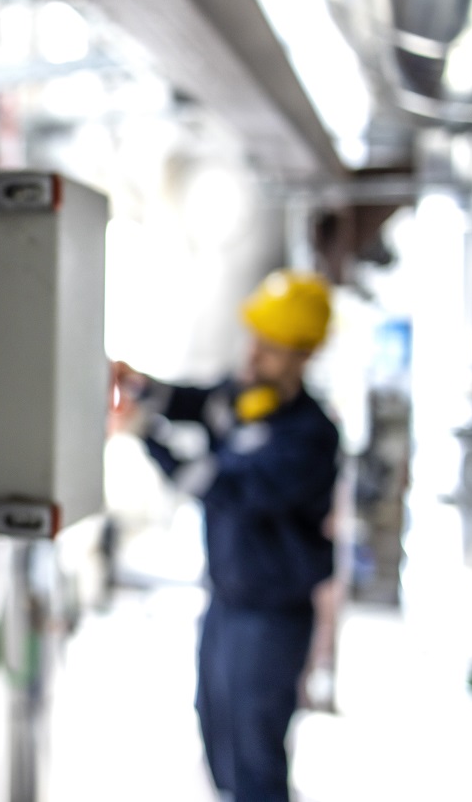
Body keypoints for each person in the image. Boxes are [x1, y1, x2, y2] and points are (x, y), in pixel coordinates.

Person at [111, 270, 340, 802]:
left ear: (303, 356)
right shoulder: (243, 397)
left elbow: (225, 485)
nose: (253, 357)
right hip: (225, 603)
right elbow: (193, 402)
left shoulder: (309, 437)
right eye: (254, 341)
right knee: (217, 738)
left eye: (272, 349)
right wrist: (138, 385)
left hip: (272, 616)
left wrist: (147, 435)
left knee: (256, 760)